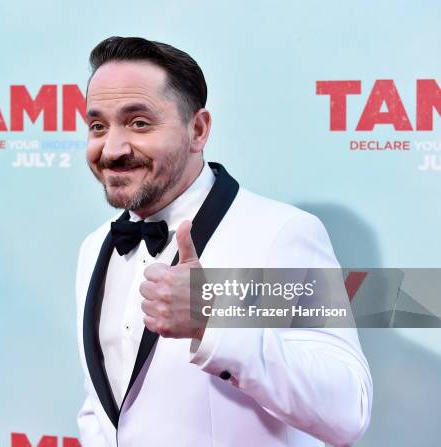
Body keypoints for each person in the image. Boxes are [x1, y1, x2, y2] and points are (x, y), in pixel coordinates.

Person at [75, 36, 372, 447]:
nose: (113, 148)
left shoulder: (281, 233)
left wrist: (212, 322)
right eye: (97, 126)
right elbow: (104, 409)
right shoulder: (95, 247)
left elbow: (348, 410)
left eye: (139, 123)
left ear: (198, 130)